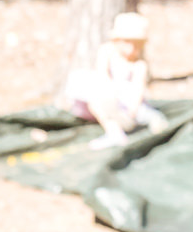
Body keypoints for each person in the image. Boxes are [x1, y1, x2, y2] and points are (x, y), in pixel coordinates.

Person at [64, 10, 167, 147]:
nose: (131, 48)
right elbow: (102, 74)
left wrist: (133, 109)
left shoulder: (138, 65)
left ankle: (117, 134)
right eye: (127, 42)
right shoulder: (107, 52)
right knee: (84, 84)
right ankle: (113, 130)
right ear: (117, 40)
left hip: (127, 106)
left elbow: (138, 88)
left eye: (137, 44)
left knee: (150, 117)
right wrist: (108, 93)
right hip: (109, 96)